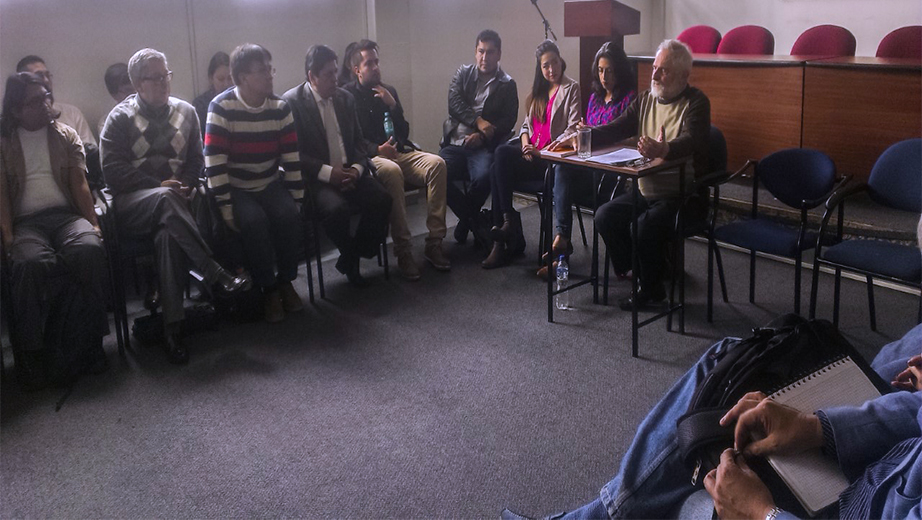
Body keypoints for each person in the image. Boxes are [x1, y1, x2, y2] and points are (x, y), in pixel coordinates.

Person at [502, 318, 922, 520]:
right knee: (738, 360)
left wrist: (763, 514)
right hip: (885, 458)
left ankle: (602, 515)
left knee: (688, 501)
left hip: (847, 504)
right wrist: (817, 427)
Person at [101, 48, 251, 365]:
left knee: (168, 237)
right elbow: (113, 172)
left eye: (166, 75)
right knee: (166, 199)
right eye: (155, 78)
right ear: (137, 83)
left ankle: (173, 330)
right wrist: (158, 186)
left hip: (176, 205)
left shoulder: (186, 112)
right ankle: (214, 273)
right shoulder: (119, 119)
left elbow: (197, 160)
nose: (163, 82)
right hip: (134, 204)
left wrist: (185, 184)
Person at [0, 72, 108, 390]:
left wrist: (94, 223)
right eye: (35, 101)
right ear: (16, 109)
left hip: (65, 217)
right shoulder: (5, 142)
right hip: (26, 224)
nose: (46, 104)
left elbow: (80, 184)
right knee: (28, 264)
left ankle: (91, 345)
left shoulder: (65, 135)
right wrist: (7, 236)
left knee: (88, 249)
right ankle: (33, 353)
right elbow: (2, 195)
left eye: (47, 96)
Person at [588, 39, 710, 311]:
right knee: (604, 216)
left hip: (682, 196)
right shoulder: (645, 99)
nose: (654, 75)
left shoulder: (696, 102)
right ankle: (644, 272)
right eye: (655, 67)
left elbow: (694, 140)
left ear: (683, 76)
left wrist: (665, 148)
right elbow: (616, 128)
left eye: (663, 70)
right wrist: (584, 135)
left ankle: (651, 289)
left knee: (642, 227)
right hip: (644, 190)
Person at [204, 44, 304, 323]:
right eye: (263, 71)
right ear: (243, 77)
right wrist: (225, 208)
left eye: (270, 69)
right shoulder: (221, 108)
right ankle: (268, 288)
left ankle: (286, 282)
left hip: (269, 181)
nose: (271, 76)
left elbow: (292, 158)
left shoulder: (280, 107)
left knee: (288, 216)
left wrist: (296, 198)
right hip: (237, 187)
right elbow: (214, 162)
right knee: (254, 222)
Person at [282, 45, 392, 287]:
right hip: (319, 179)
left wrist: (357, 169)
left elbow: (358, 142)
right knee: (336, 210)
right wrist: (328, 173)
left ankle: (353, 254)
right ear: (312, 76)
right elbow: (293, 153)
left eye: (335, 72)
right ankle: (351, 258)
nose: (336, 78)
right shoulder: (292, 103)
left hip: (351, 171)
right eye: (329, 74)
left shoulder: (346, 98)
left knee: (383, 199)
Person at [344, 40, 450, 280]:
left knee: (437, 164)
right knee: (392, 171)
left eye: (376, 61)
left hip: (400, 152)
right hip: (373, 158)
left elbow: (403, 132)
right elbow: (353, 139)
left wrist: (393, 106)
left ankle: (434, 242)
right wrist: (378, 149)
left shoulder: (388, 90)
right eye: (368, 63)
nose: (375, 67)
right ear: (356, 69)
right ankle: (403, 251)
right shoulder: (347, 96)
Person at [482, 40, 580, 269]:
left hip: (549, 159)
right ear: (541, 68)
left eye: (554, 63)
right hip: (531, 154)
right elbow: (525, 127)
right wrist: (526, 145)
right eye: (546, 66)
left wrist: (541, 150)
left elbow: (573, 129)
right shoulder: (539, 91)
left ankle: (504, 233)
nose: (551, 70)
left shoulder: (571, 88)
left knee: (499, 161)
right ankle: (507, 221)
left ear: (560, 60)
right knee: (500, 157)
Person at [543, 42, 636, 279]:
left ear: (620, 71)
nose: (605, 76)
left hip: (611, 174)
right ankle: (563, 239)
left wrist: (592, 133)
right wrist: (584, 132)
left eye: (610, 71)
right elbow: (588, 131)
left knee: (562, 177)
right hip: (589, 167)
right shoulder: (595, 98)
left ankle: (562, 247)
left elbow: (625, 136)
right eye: (601, 70)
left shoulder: (630, 99)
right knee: (561, 168)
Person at [438, 30, 518, 247]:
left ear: (499, 54)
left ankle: (466, 220)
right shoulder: (463, 74)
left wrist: (482, 136)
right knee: (436, 173)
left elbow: (508, 120)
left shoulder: (507, 84)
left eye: (490, 52)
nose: (485, 57)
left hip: (483, 147)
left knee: (484, 176)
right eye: (481, 51)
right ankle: (472, 219)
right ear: (475, 53)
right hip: (456, 143)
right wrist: (479, 121)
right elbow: (453, 103)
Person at [16, 55, 97, 149]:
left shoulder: (72, 113)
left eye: (48, 75)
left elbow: (91, 154)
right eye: (39, 76)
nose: (46, 80)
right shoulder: (15, 119)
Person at [193, 52, 233, 137]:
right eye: (221, 79)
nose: (226, 84)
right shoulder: (200, 104)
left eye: (230, 78)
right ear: (211, 79)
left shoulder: (239, 101)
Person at [98, 63, 135, 135]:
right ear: (114, 95)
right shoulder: (106, 123)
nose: (135, 95)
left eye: (137, 88)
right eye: (129, 91)